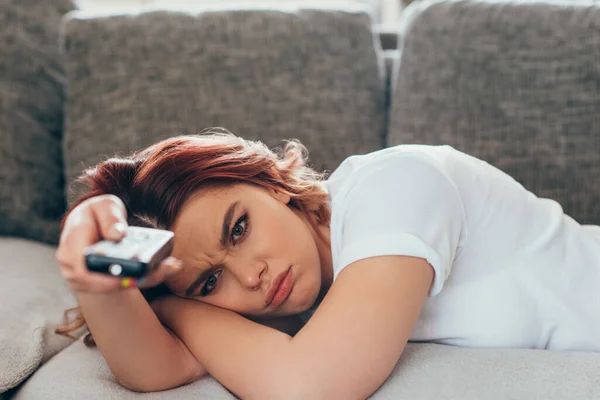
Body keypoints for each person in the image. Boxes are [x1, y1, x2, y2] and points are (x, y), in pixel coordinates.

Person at [55, 128, 600, 398]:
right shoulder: (297, 296)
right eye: (211, 280)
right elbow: (156, 369)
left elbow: (308, 388)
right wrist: (87, 256)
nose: (251, 276)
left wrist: (177, 305)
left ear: (270, 182)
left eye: (238, 228)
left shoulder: (397, 185)